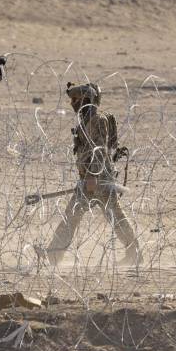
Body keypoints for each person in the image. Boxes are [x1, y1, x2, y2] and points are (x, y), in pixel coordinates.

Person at [36, 82, 140, 268]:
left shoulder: (97, 120)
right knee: (76, 216)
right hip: (90, 180)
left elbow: (100, 149)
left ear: (88, 99)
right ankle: (53, 255)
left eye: (76, 99)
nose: (72, 104)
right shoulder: (85, 120)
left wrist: (92, 175)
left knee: (112, 217)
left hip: (99, 180)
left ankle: (135, 253)